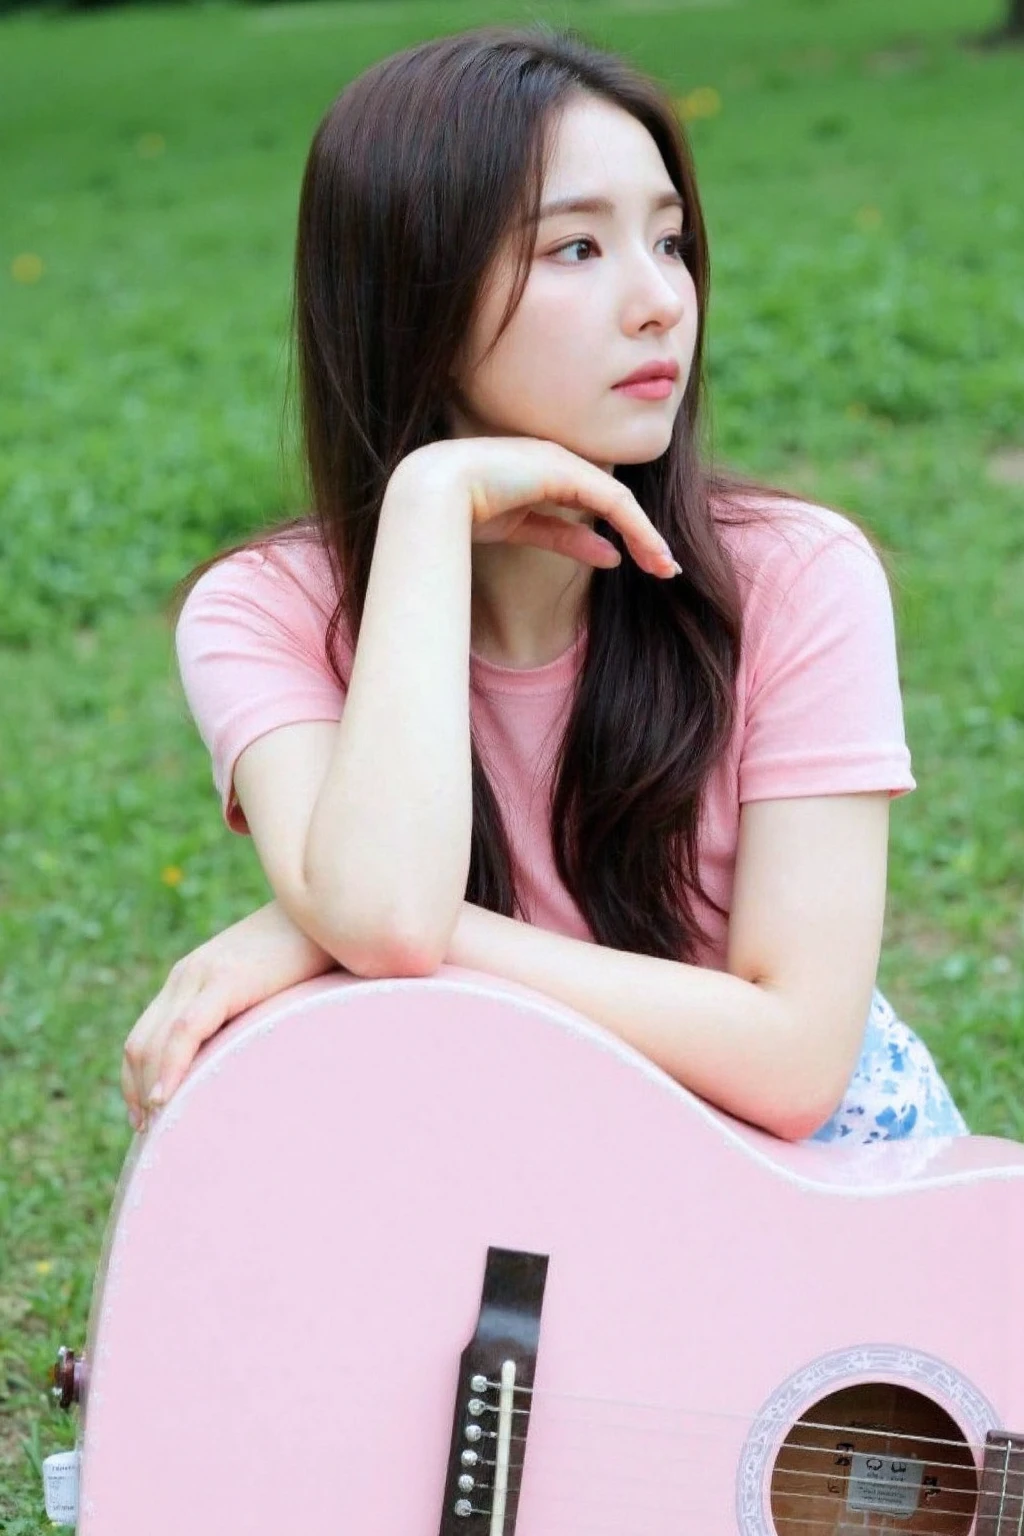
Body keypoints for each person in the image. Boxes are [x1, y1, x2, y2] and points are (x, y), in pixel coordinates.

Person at [121, 22, 968, 1147]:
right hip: (507, 1189)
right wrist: (428, 506)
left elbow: (795, 1061)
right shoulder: (267, 611)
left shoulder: (794, 577)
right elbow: (381, 910)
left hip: (805, 1191)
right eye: (576, 249)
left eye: (668, 243)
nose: (661, 299)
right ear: (412, 295)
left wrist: (318, 924)